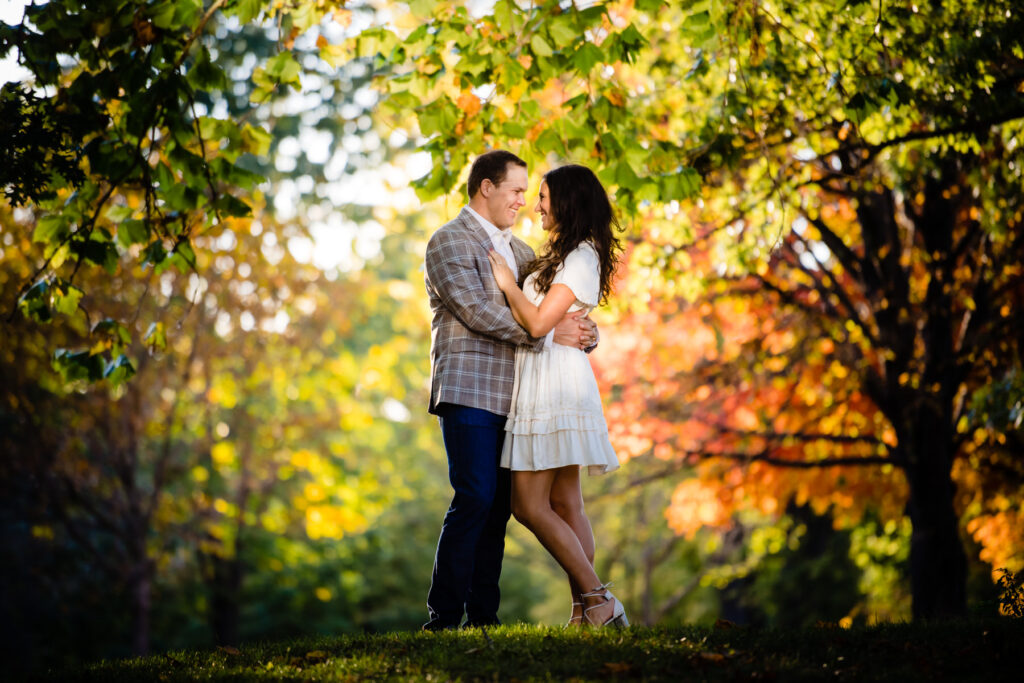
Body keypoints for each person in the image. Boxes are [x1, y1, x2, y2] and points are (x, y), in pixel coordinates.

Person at [422, 150, 599, 631]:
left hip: (520, 398)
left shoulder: (522, 254)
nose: (524, 201)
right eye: (517, 190)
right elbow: (477, 311)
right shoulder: (448, 242)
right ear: (486, 187)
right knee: (476, 495)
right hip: (469, 390)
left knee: (500, 508)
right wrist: (545, 332)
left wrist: (586, 331)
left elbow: (554, 304)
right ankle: (442, 617)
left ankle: (484, 618)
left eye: (528, 192)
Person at [486, 163, 627, 628]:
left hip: (555, 384)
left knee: (527, 504)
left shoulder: (581, 255)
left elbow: (540, 323)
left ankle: (597, 597)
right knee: (567, 504)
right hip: (546, 375)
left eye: (543, 196)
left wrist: (508, 284)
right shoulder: (563, 253)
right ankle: (585, 611)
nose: (536, 204)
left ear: (566, 200)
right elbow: (556, 320)